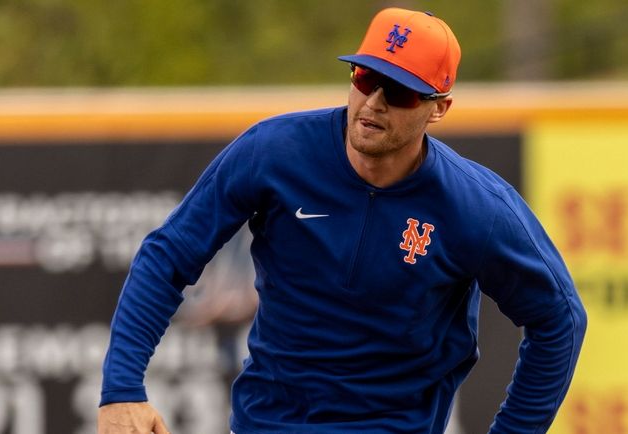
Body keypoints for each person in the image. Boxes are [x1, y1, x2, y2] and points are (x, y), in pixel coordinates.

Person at [97, 7, 587, 434]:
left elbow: (560, 318)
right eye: (365, 78)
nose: (373, 102)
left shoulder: (474, 205)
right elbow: (168, 255)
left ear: (439, 108)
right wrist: (121, 389)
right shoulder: (275, 152)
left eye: (399, 91)